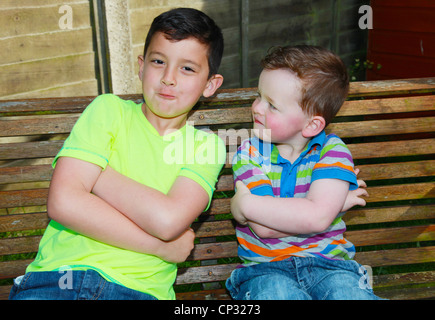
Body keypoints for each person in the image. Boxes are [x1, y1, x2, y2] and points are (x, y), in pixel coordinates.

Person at [9, 8, 225, 300]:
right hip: (59, 281)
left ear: (210, 84)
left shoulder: (205, 146)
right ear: (141, 66)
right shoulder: (108, 110)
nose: (168, 78)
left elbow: (167, 221)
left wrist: (97, 173)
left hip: (139, 292)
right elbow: (63, 203)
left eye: (187, 68)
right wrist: (159, 247)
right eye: (159, 61)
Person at [226, 45, 381, 300]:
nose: (256, 108)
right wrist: (328, 208)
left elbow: (314, 218)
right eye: (258, 96)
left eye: (272, 105)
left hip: (331, 266)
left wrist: (244, 204)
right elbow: (264, 229)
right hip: (265, 269)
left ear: (311, 124)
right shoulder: (249, 153)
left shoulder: (332, 151)